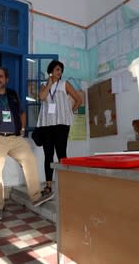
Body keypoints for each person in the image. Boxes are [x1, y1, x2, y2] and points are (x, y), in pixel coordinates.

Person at [0, 67, 54, 221]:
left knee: (29, 159)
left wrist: (22, 128)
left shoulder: (13, 94)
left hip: (14, 138)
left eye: (0, 76)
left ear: (6, 79)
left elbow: (22, 113)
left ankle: (36, 196)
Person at [37, 60, 82, 194]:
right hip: (46, 124)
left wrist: (70, 111)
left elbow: (79, 99)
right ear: (51, 71)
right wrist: (50, 83)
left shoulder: (64, 84)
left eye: (60, 70)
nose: (60, 72)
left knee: (62, 154)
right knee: (48, 155)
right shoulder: (44, 85)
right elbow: (42, 97)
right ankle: (48, 185)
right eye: (57, 69)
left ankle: (65, 183)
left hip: (61, 124)